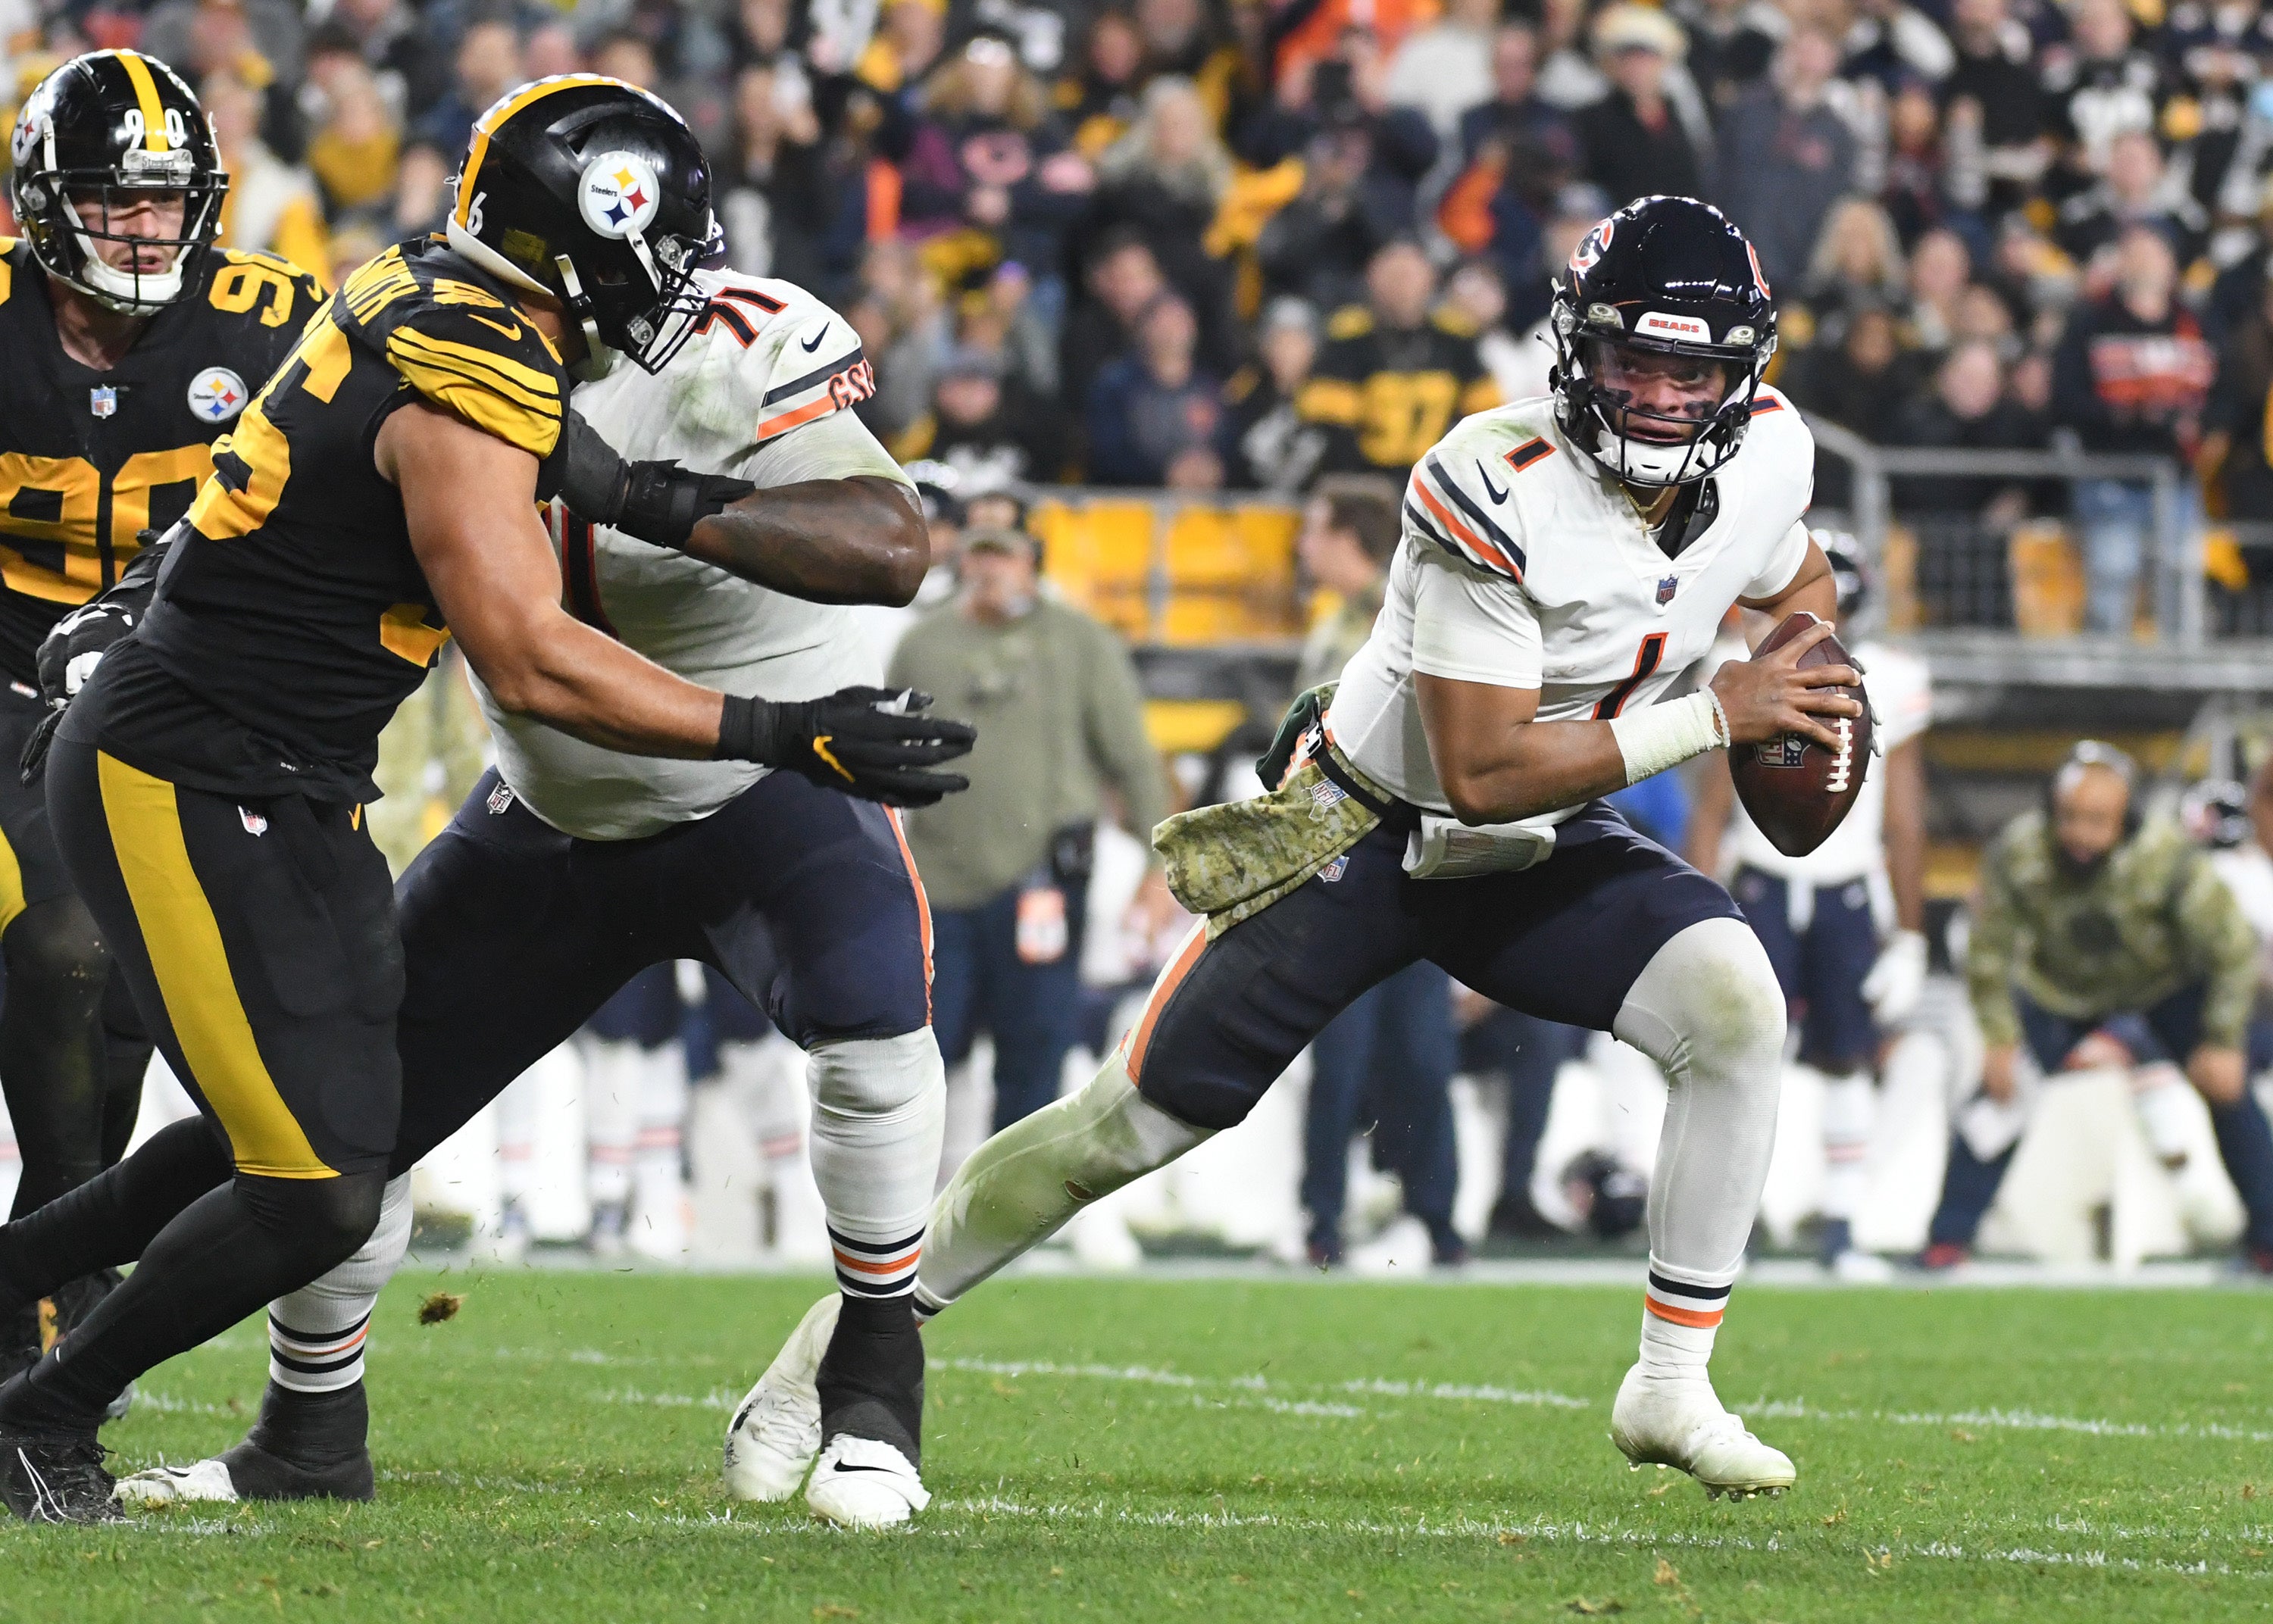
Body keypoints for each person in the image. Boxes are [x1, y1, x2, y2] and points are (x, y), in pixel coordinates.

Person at [739, 197, 1869, 1502]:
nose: (1663, 399)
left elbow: (1795, 578)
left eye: (1693, 372)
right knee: (1120, 1130)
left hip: (1547, 836)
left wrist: (1807, 669)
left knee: (1735, 1005)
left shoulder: (1768, 455)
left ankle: (1671, 1380)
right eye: (1633, 362)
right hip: (1374, 827)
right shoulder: (1494, 481)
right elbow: (1483, 769)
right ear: (1576, 349)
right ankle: (836, 1345)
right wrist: (1721, 713)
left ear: (1745, 376)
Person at [0, 75, 974, 1525]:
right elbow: (525, 652)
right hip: (198, 768)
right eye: (652, 259)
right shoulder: (471, 353)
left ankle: (26, 1307)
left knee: (324, 1130)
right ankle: (43, 1414)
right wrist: (783, 729)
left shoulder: (434, 293)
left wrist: (640, 498)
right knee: (316, 1180)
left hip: (296, 777)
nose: (675, 292)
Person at [0, 51, 326, 1397]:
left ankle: (51, 1255)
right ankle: (59, 1272)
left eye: (165, 199)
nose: (144, 226)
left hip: (177, 682)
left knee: (131, 987)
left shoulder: (270, 321)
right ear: (43, 202)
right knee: (69, 946)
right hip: (12, 677)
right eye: (114, 198)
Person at [1923, 742, 2273, 1271]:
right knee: (1998, 1097)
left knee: (2229, 1088)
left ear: (2126, 820)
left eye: (2097, 821)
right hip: (2060, 991)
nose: (2081, 836)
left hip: (2163, 986)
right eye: (2069, 818)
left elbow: (2232, 948)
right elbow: (1988, 950)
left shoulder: (2167, 856)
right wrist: (2000, 1037)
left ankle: (2268, 1237)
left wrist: (2223, 1039)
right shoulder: (2020, 853)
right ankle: (1947, 1238)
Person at [1687, 537, 1934, 1279]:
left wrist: (1912, 936)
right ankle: (1735, 1227)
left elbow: (1904, 818)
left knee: (1845, 1058)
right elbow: (1712, 808)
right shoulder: (1739, 669)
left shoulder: (1891, 678)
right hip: (1761, 880)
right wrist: (1696, 909)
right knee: (1742, 1055)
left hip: (1846, 887)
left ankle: (1842, 1226)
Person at [884, 524, 1171, 1134]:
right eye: (980, 555)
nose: (992, 570)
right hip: (940, 886)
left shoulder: (1080, 642)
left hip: (1041, 885)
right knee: (927, 1053)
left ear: (1033, 563)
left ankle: (1012, 1190)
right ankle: (931, 1188)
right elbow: (885, 760)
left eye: (1005, 555)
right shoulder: (921, 646)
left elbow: (1132, 759)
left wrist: (1159, 866)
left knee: (1036, 1051)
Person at [1287, 477, 1464, 1266]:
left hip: (1406, 855)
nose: (1303, 545)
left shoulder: (1405, 618)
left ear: (1346, 538)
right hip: (1349, 862)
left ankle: (1429, 1218)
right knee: (1346, 1056)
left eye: (1314, 530)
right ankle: (1325, 1219)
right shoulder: (1335, 622)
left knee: (1418, 1054)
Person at [1297, 238, 1500, 483]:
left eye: (1410, 277)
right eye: (1394, 277)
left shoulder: (1456, 339)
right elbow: (1329, 427)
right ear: (1373, 279)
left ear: (1430, 279)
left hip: (1441, 482)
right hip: (1367, 484)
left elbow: (1488, 419)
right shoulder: (1349, 339)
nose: (1403, 287)